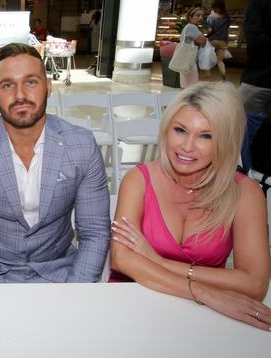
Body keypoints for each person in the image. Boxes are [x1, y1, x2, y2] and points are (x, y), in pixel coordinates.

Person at [110, 82, 271, 330]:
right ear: (166, 129)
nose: (187, 146)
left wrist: (159, 263)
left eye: (206, 135)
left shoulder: (245, 193)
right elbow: (122, 260)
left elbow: (254, 284)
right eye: (180, 130)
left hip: (204, 317)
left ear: (226, 141)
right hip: (133, 301)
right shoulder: (138, 180)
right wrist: (205, 293)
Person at [0, 43, 110, 283]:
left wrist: (76, 291)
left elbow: (94, 232)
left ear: (48, 86)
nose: (20, 95)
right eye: (7, 85)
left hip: (61, 272)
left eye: (31, 82)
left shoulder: (81, 145)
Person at [239, 0, 271, 173]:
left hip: (257, 79)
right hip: (258, 80)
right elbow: (255, 38)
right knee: (242, 132)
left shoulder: (259, 3)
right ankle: (241, 175)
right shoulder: (261, 3)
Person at [179, 7, 207, 89]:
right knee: (191, 86)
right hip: (189, 60)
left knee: (185, 84)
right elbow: (203, 41)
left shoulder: (188, 26)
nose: (201, 18)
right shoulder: (192, 27)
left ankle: (183, 101)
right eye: (198, 15)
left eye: (202, 16)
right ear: (190, 17)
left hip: (184, 59)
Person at [205, 0, 231, 81]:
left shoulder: (211, 16)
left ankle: (207, 79)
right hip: (223, 41)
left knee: (207, 59)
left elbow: (210, 30)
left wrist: (206, 34)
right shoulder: (227, 16)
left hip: (212, 40)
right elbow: (227, 28)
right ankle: (223, 78)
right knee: (220, 61)